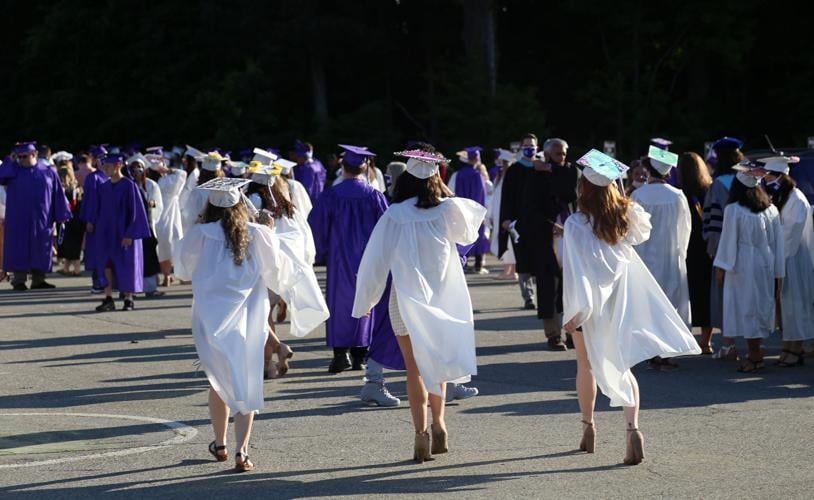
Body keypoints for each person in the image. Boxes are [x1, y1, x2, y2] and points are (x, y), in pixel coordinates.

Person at [173, 177, 329, 473]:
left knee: (217, 380)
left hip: (210, 318)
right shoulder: (257, 234)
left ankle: (220, 444)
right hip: (248, 318)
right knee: (246, 380)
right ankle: (241, 452)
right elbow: (279, 275)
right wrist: (268, 232)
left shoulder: (200, 234)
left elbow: (182, 269)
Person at [562, 149, 701, 465]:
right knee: (621, 364)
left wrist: (573, 312)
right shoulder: (626, 216)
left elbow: (575, 271)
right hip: (621, 300)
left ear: (584, 186)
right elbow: (641, 234)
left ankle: (588, 428)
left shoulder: (575, 223)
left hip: (587, 303)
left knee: (586, 366)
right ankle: (632, 430)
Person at [353, 145, 486, 463]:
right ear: (436, 177)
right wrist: (445, 193)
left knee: (413, 370)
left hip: (404, 299)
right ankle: (439, 422)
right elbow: (470, 230)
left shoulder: (394, 214)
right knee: (436, 367)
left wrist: (367, 299)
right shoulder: (448, 209)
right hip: (442, 298)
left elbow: (375, 260)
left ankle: (420, 434)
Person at [309, 144, 390, 373]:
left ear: (342, 167)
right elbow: (387, 227)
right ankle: (360, 356)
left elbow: (316, 226)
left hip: (339, 258)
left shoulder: (331, 195)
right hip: (369, 257)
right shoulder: (374, 195)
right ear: (365, 167)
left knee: (339, 301)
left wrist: (320, 252)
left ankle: (340, 354)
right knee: (367, 300)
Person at [714, 164, 784, 372]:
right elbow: (777, 243)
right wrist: (778, 273)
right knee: (759, 305)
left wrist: (721, 267)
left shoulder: (733, 210)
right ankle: (756, 350)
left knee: (746, 307)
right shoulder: (770, 209)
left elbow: (728, 242)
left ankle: (755, 356)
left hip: (742, 264)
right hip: (765, 262)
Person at [631, 147, 692, 370]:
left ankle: (652, 349)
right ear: (667, 173)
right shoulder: (678, 196)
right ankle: (665, 350)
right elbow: (686, 229)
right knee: (670, 303)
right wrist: (680, 253)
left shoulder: (638, 195)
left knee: (649, 304)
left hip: (644, 256)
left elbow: (632, 229)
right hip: (671, 255)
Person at [518, 138, 579, 350]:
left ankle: (573, 332)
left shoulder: (572, 172)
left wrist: (553, 171)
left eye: (564, 154)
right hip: (547, 236)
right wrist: (550, 225)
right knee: (548, 286)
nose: (561, 158)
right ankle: (553, 334)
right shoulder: (535, 176)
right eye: (556, 155)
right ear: (546, 155)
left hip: (571, 232)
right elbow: (529, 209)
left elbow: (571, 194)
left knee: (571, 286)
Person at [760, 156, 814, 367]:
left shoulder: (796, 199)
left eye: (770, 176)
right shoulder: (783, 196)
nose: (767, 179)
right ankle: (788, 345)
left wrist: (776, 257)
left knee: (795, 305)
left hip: (792, 258)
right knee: (786, 306)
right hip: (783, 257)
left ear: (781, 176)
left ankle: (796, 348)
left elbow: (790, 234)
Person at [0, 142, 71, 291]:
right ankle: (19, 281)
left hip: (42, 219)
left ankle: (39, 280)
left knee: (41, 248)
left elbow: (58, 194)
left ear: (34, 155)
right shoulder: (14, 171)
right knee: (19, 248)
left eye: (24, 156)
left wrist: (61, 215)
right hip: (18, 219)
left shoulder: (48, 172)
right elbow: (1, 176)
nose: (21, 159)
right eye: (19, 157)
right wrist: (10, 160)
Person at [88, 153, 151, 312]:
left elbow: (136, 212)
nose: (105, 170)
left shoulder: (129, 186)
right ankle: (108, 298)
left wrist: (130, 234)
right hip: (106, 233)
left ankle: (128, 299)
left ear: (118, 165)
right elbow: (98, 210)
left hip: (124, 233)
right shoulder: (103, 187)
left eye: (108, 166)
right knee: (106, 265)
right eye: (104, 167)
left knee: (127, 265)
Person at [702, 137, 745, 360]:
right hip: (749, 248)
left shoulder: (717, 185)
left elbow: (712, 223)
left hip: (724, 248)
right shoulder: (749, 181)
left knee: (725, 294)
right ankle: (751, 344)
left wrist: (713, 250)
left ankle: (728, 343)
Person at [677, 152, 714, 353]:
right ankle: (706, 341)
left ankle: (686, 339)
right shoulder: (708, 191)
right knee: (705, 293)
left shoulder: (679, 193)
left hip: (687, 247)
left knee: (687, 293)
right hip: (705, 247)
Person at [499, 134, 538, 310]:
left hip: (539, 221)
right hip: (519, 222)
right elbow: (506, 197)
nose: (530, 148)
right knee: (523, 259)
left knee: (539, 259)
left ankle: (543, 293)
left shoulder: (541, 168)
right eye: (527, 145)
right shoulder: (514, 170)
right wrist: (506, 218)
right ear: (521, 148)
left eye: (533, 145)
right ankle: (528, 296)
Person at [145, 153, 187, 287]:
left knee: (159, 248)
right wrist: (166, 170)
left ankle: (161, 276)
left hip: (155, 217)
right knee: (168, 247)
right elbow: (182, 174)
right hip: (170, 217)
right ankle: (167, 276)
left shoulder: (150, 183)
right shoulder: (168, 182)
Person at [448, 147, 491, 274]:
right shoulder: (478, 175)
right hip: (474, 212)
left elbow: (451, 192)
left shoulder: (457, 174)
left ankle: (463, 262)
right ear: (476, 159)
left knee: (461, 235)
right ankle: (478, 265)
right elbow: (480, 196)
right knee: (477, 235)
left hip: (460, 210)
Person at [129, 155, 164, 298]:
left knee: (149, 259)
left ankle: (150, 288)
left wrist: (151, 205)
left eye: (140, 169)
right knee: (133, 259)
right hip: (132, 228)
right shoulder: (128, 185)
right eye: (134, 170)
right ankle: (132, 289)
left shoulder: (151, 185)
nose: (137, 173)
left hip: (147, 226)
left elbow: (158, 204)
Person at [80, 145, 110, 293]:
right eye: (100, 159)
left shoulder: (113, 177)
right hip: (98, 222)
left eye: (105, 159)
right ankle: (98, 282)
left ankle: (111, 283)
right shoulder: (94, 178)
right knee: (98, 252)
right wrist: (90, 220)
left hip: (111, 222)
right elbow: (91, 201)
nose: (103, 162)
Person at [487, 149, 517, 280]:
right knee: (505, 242)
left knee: (508, 242)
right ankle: (509, 270)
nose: (501, 166)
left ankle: (509, 271)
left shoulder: (509, 179)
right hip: (499, 215)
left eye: (503, 163)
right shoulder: (499, 179)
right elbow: (494, 199)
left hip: (507, 216)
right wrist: (491, 215)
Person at [181, 151, 224, 235]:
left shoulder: (198, 191)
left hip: (202, 230)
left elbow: (189, 215)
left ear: (203, 172)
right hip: (220, 231)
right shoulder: (225, 191)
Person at [56, 165, 84, 276]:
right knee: (73, 245)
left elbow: (71, 206)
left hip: (69, 220)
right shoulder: (78, 187)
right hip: (79, 220)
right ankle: (66, 268)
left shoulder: (66, 190)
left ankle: (77, 269)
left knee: (71, 245)